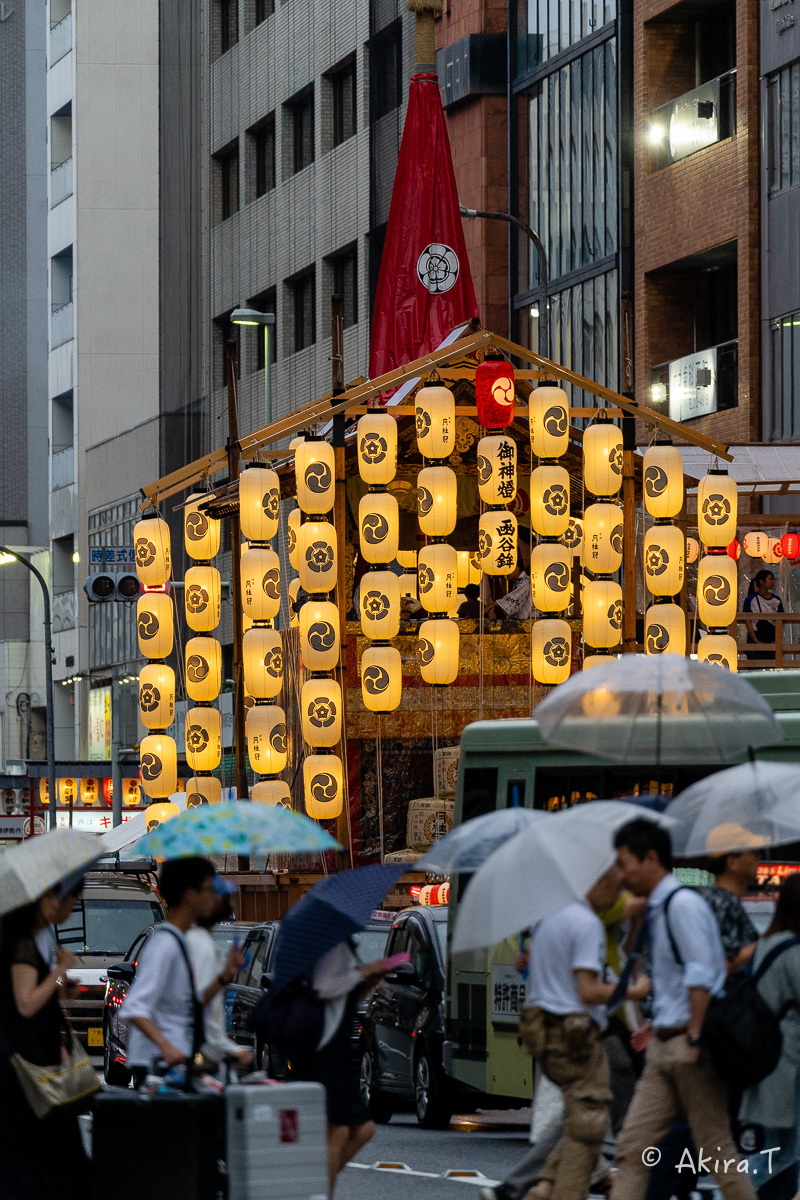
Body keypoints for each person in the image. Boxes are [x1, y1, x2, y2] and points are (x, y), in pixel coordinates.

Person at [610, 818, 756, 1200]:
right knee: (632, 1147)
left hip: (688, 1047)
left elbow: (701, 974)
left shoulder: (683, 904)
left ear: (651, 858)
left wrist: (693, 1032)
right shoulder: (659, 908)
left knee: (716, 1150)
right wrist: (658, 1023)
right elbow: (675, 977)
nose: (621, 874)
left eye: (625, 863)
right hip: (666, 1045)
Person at [480, 887, 647, 1200]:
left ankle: (539, 1187)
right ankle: (532, 1186)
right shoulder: (586, 921)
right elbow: (588, 991)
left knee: (581, 1119)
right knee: (587, 1121)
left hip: (549, 1029)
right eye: (614, 877)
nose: (619, 887)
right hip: (577, 1030)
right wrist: (635, 991)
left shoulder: (548, 919)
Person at [0, 885, 88, 1199]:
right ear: (50, 901)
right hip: (27, 1069)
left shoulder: (31, 939)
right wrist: (61, 969)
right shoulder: (23, 942)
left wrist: (60, 989)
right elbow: (25, 1004)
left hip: (32, 1063)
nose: (73, 906)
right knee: (46, 1155)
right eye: (72, 898)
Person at [121, 857, 241, 1081]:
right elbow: (134, 1007)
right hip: (158, 1064)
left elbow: (189, 1002)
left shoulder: (180, 940)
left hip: (175, 1059)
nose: (214, 897)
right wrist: (166, 1046)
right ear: (188, 893)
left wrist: (224, 976)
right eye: (208, 889)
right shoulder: (165, 944)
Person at [292, 940, 394, 1198]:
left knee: (363, 1129)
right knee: (337, 1131)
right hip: (321, 1049)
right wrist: (361, 973)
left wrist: (368, 982)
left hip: (336, 1050)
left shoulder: (342, 946)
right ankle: (318, 1193)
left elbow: (341, 997)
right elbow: (323, 988)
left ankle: (313, 1189)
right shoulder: (329, 947)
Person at [738, 874, 800, 1200]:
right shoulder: (793, 952)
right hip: (789, 1066)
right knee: (784, 1152)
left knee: (784, 1151)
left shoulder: (764, 944)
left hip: (769, 1061)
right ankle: (731, 1192)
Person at [185, 879, 252, 1070]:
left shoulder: (201, 940)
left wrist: (228, 972)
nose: (227, 903)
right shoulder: (201, 945)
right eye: (222, 897)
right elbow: (200, 1001)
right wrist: (225, 1048)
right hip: (203, 1054)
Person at [700, 841, 760, 971]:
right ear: (732, 863)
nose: (758, 857)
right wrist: (767, 946)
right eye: (753, 852)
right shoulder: (722, 903)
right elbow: (721, 964)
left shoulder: (716, 899)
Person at [744, 570, 784, 659]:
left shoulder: (776, 600)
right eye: (770, 579)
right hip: (756, 635)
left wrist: (776, 639)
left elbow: (781, 621)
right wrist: (755, 640)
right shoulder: (750, 599)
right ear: (761, 582)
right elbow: (747, 621)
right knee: (755, 667)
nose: (773, 581)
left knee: (772, 667)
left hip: (771, 636)